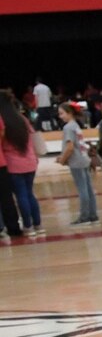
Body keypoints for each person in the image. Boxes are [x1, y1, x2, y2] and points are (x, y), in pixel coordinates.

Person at [1, 92, 44, 236]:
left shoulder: (3, 121)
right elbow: (32, 139)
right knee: (29, 193)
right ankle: (38, 225)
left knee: (21, 195)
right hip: (30, 161)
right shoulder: (22, 119)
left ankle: (28, 226)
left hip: (13, 163)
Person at [57, 104, 98, 227]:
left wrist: (62, 159)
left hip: (76, 162)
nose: (60, 116)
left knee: (82, 190)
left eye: (62, 113)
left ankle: (84, 216)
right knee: (89, 189)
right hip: (84, 159)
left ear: (69, 113)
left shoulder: (68, 128)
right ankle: (93, 214)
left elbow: (69, 147)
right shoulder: (76, 126)